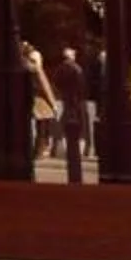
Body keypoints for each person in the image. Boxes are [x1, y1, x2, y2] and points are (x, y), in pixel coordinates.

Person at [51, 45, 90, 186]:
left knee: (66, 123)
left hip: (67, 99)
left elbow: (56, 82)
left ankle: (64, 148)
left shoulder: (60, 69)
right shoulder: (76, 69)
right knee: (78, 126)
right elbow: (81, 86)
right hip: (76, 101)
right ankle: (76, 152)